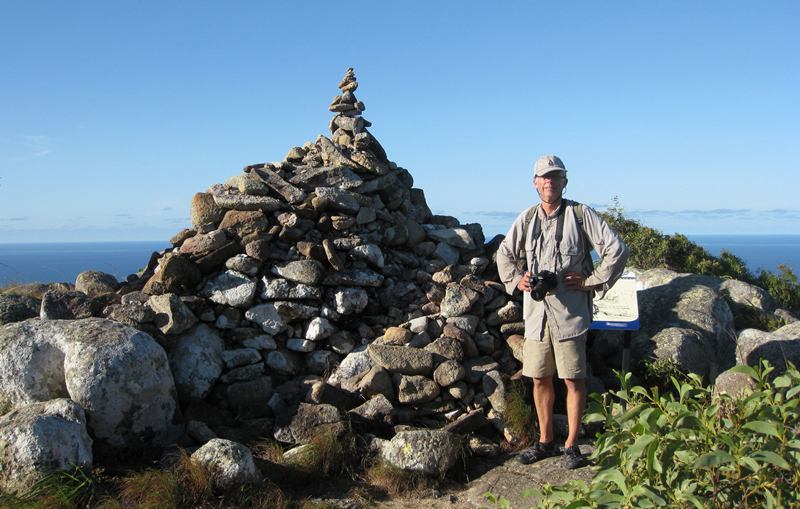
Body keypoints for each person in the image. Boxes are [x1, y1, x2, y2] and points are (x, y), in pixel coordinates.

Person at [496, 154, 629, 469]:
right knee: (539, 378)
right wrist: (519, 280)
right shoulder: (527, 219)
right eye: (544, 177)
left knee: (573, 379)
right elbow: (504, 254)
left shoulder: (580, 215)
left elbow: (616, 249)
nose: (549, 182)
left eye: (555, 176)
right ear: (535, 182)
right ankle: (545, 441)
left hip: (570, 316)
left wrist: (591, 281)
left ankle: (571, 445)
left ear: (564, 181)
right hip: (536, 317)